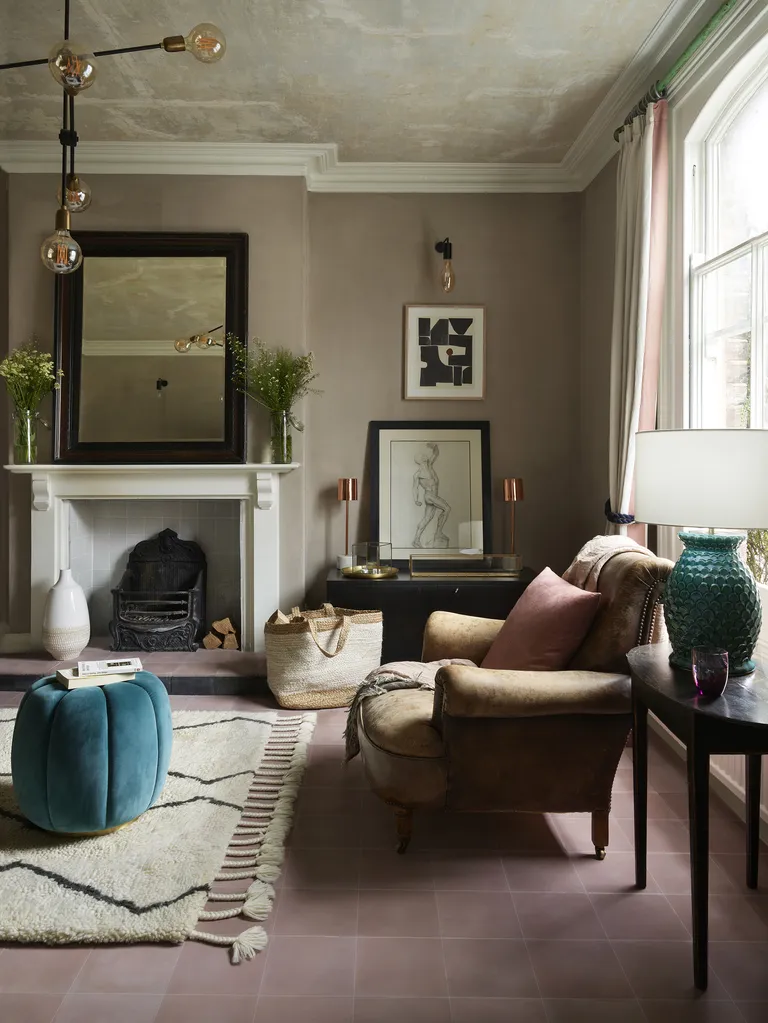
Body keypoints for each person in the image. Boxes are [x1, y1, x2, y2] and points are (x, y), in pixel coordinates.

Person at [412, 442, 451, 548]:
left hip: (432, 495)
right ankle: (438, 532)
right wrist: (416, 499)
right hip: (429, 496)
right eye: (422, 455)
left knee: (427, 518)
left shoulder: (429, 466)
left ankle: (416, 539)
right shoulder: (418, 474)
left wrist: (435, 447)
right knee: (447, 508)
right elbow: (415, 488)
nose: (425, 456)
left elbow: (436, 454)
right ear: (420, 460)